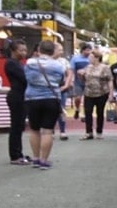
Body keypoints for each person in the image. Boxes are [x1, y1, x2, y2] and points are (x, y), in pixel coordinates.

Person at [24, 40, 65, 169]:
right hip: (51, 98)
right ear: (53, 51)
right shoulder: (58, 65)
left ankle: (35, 158)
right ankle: (44, 160)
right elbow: (60, 81)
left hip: (32, 98)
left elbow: (27, 78)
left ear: (39, 50)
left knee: (34, 129)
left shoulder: (30, 63)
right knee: (47, 131)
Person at [4, 39, 31, 164]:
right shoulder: (11, 63)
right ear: (13, 51)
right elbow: (25, 79)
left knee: (19, 126)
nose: (24, 53)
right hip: (17, 97)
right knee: (16, 126)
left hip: (21, 96)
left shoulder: (18, 63)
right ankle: (15, 156)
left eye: (25, 50)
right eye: (21, 50)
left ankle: (19, 153)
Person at [79, 50, 113, 140]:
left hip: (101, 93)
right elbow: (84, 79)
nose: (89, 59)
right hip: (88, 93)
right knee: (88, 112)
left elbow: (110, 80)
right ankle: (88, 132)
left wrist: (111, 93)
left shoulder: (104, 67)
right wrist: (81, 75)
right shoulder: (88, 67)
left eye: (91, 57)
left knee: (100, 112)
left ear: (97, 58)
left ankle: (99, 131)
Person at [53, 43, 73, 141]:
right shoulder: (47, 61)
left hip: (62, 88)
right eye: (59, 50)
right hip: (50, 89)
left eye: (62, 50)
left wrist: (66, 85)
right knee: (51, 110)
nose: (61, 52)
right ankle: (50, 130)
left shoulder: (64, 61)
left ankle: (62, 131)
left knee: (61, 109)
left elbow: (69, 73)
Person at [69, 43, 92, 120]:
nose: (89, 52)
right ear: (83, 50)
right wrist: (71, 80)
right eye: (87, 50)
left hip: (88, 81)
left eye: (90, 50)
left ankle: (85, 114)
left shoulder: (91, 59)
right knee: (78, 98)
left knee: (87, 99)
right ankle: (77, 109)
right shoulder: (75, 58)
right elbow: (71, 70)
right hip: (78, 81)